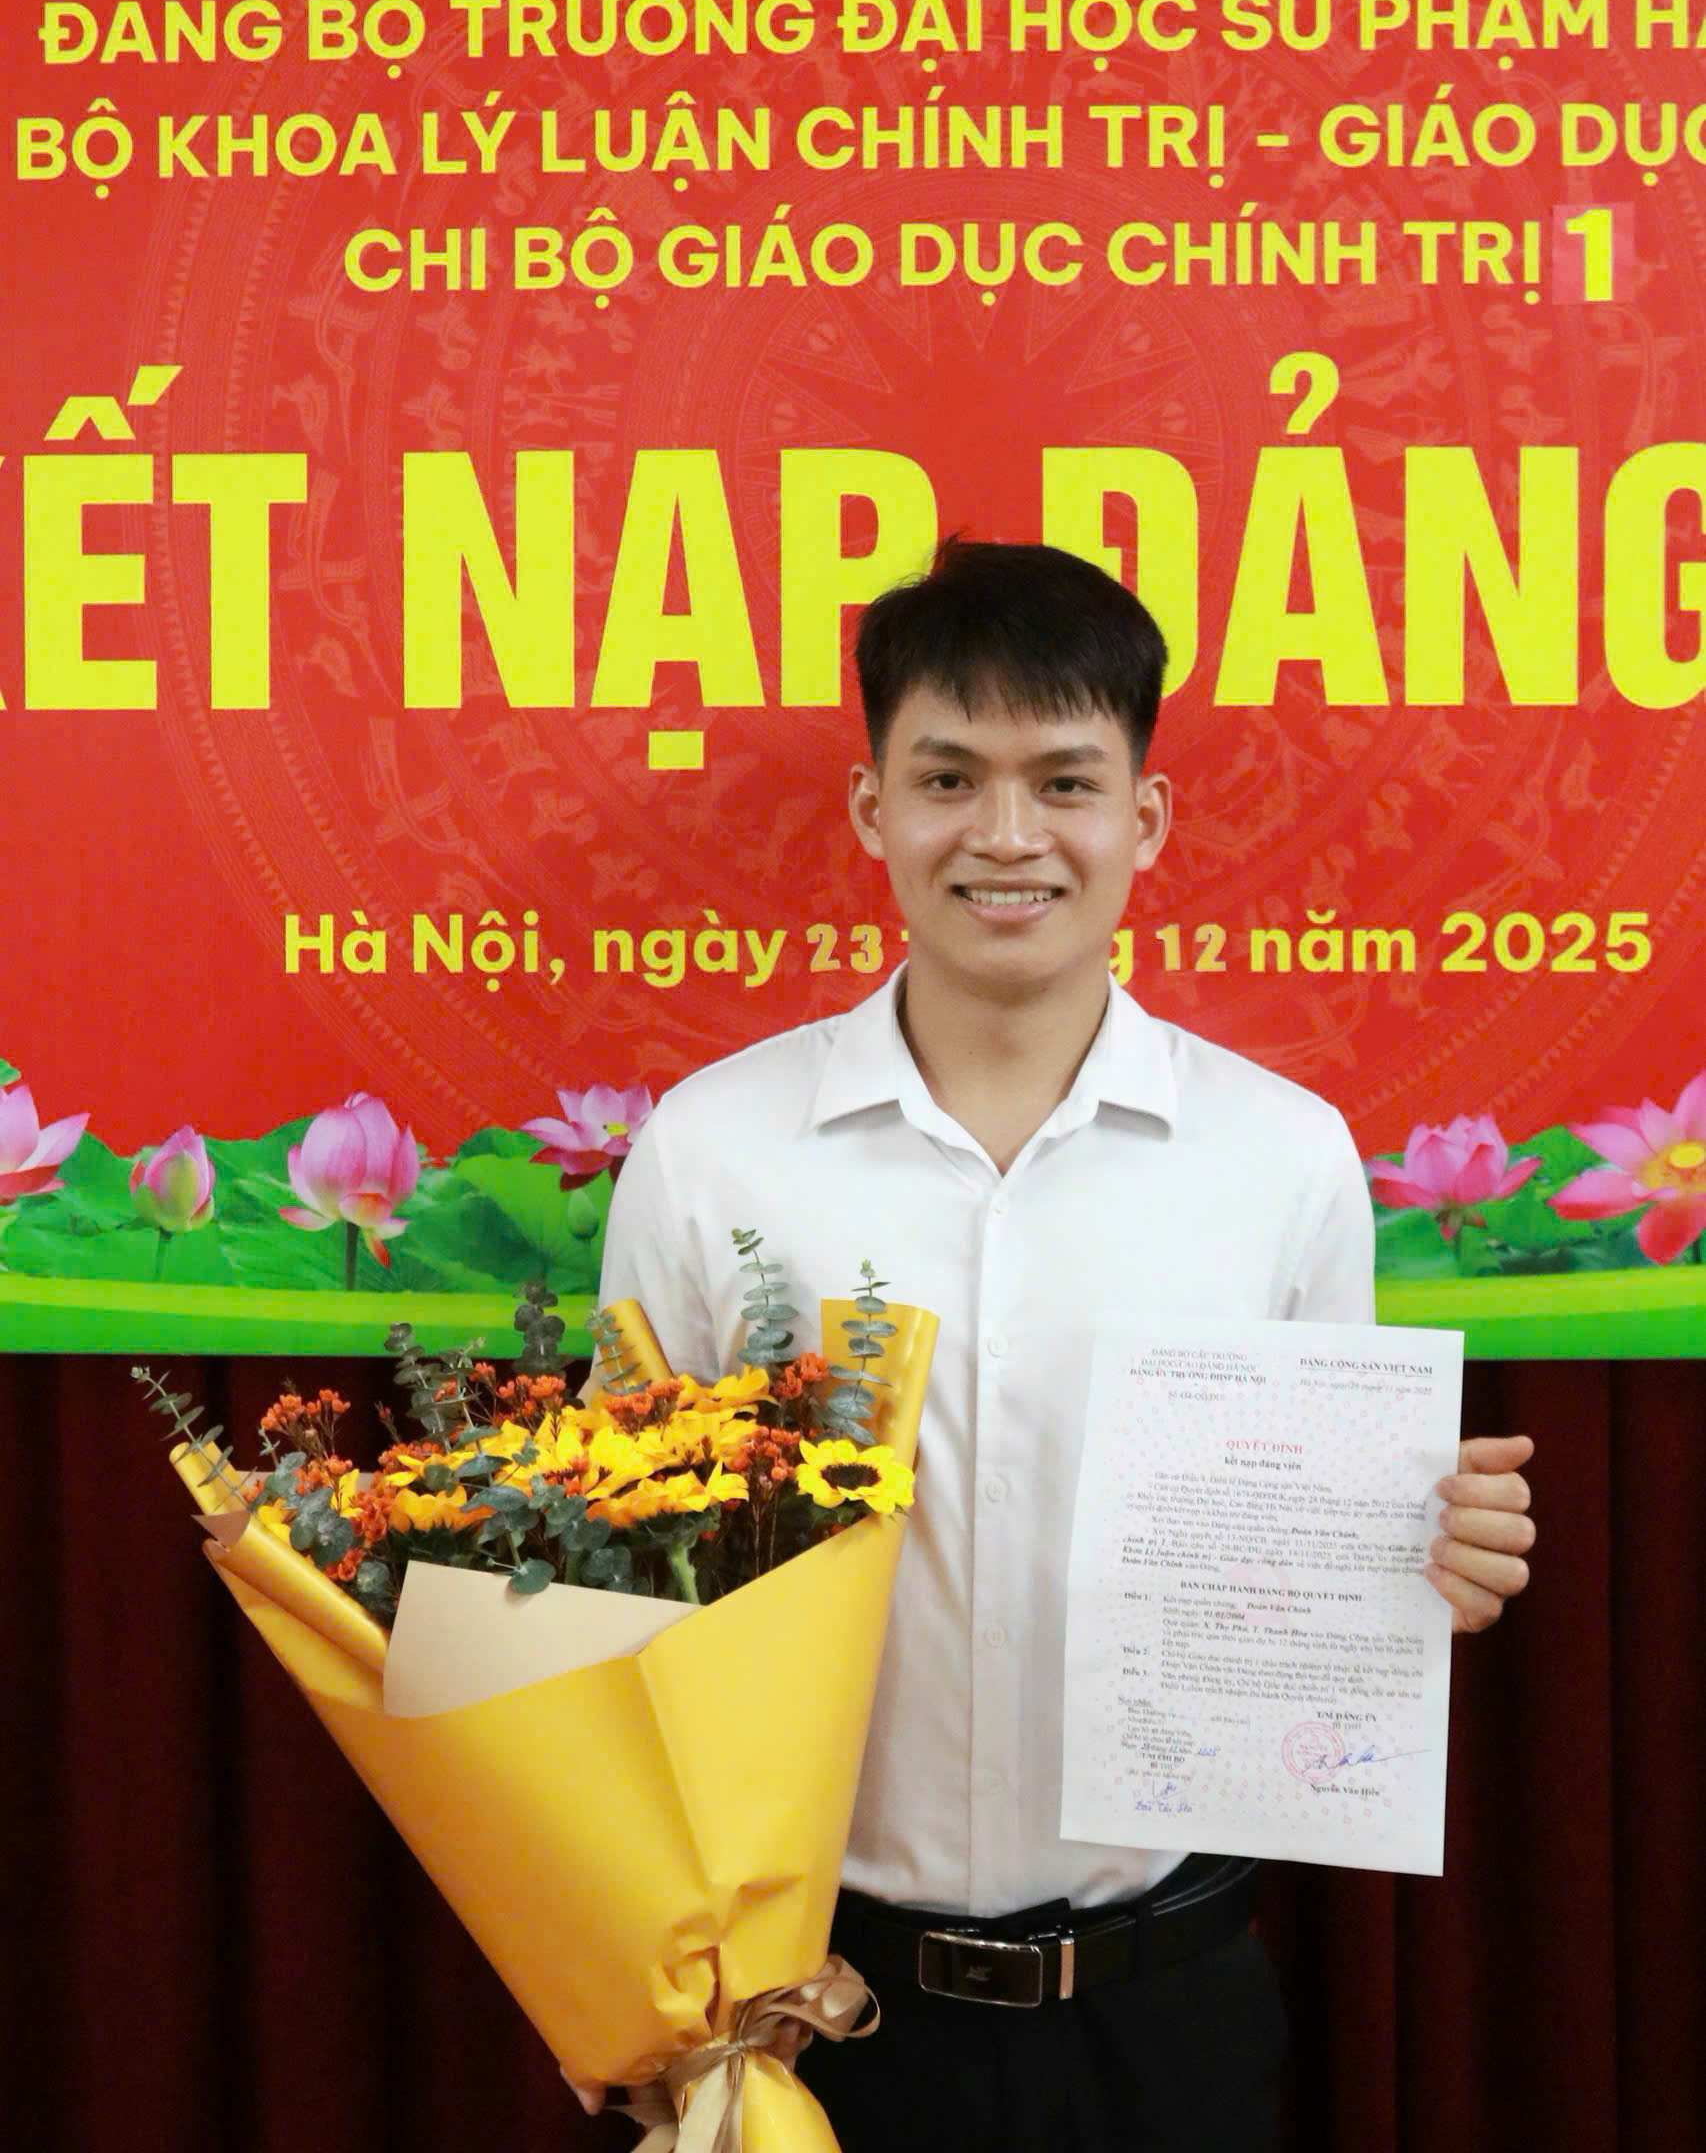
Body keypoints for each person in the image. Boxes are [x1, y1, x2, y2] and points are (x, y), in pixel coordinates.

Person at [589, 541, 1536, 2150]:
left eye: (1064, 782)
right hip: (810, 2012)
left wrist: (1410, 1563)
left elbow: (1304, 1580)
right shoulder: (713, 1151)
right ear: (871, 807)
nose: (1007, 835)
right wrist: (621, 1968)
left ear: (1143, 819)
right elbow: (611, 1597)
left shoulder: (1279, 1157)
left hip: (1161, 2018)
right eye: (947, 777)